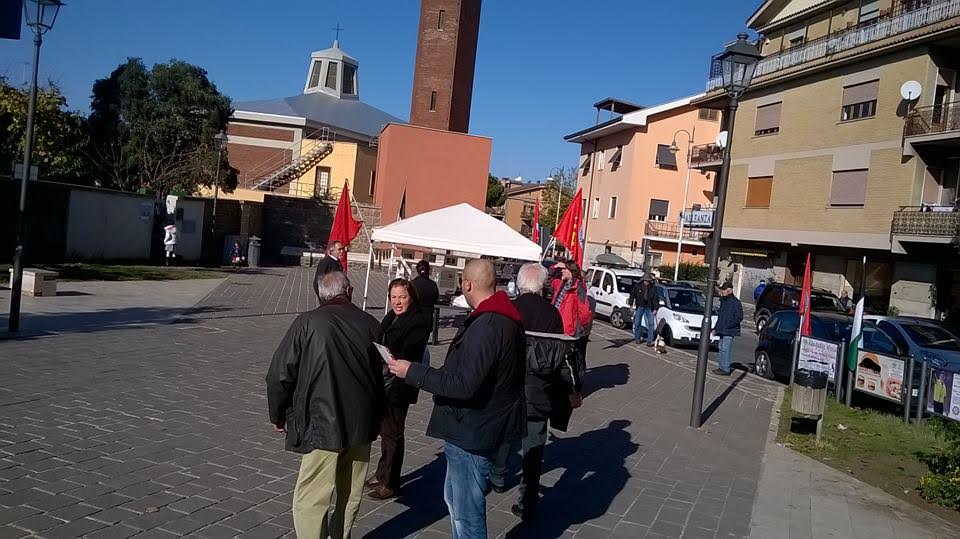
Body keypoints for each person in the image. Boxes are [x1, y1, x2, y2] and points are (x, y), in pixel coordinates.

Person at [386, 259, 525, 539]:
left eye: (462, 280)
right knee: (455, 501)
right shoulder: (500, 318)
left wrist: (412, 371)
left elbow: (463, 384)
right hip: (478, 426)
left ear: (468, 284)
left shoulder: (488, 324)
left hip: (473, 430)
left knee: (466, 512)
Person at [265, 272, 385, 539]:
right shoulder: (371, 324)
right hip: (361, 424)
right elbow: (385, 377)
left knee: (312, 495)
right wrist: (378, 417)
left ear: (320, 294)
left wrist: (278, 414)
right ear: (350, 291)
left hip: (322, 423)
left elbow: (279, 374)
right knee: (350, 493)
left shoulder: (307, 321)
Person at [490, 263, 582, 520]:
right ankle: (527, 499)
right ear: (541, 286)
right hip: (539, 391)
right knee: (533, 447)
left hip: (508, 389)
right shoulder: (551, 314)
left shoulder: (509, 310)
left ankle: (497, 477)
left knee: (503, 436)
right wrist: (571, 390)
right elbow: (560, 356)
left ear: (519, 285)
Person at [367, 279, 431, 500]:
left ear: (410, 296)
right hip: (387, 379)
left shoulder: (417, 320)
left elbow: (412, 349)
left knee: (393, 432)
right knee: (386, 430)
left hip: (401, 383)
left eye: (402, 297)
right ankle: (382, 472)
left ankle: (390, 482)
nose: (397, 302)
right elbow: (380, 333)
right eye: (393, 297)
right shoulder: (393, 315)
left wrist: (390, 352)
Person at [551, 261, 594, 361]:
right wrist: (554, 267)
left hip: (568, 331)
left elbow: (586, 312)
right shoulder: (560, 283)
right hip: (556, 327)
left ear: (571, 271)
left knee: (566, 360)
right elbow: (547, 281)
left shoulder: (578, 288)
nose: (562, 271)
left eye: (564, 269)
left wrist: (577, 326)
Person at [712, 281, 744, 376]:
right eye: (722, 290)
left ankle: (725, 368)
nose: (722, 292)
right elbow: (720, 317)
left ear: (729, 291)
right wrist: (715, 329)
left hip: (730, 330)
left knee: (725, 348)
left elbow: (739, 317)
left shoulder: (735, 302)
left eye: (724, 290)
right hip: (722, 329)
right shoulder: (723, 301)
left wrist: (728, 325)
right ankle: (721, 366)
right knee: (721, 348)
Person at [630, 274, 659, 347]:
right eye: (646, 280)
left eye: (648, 281)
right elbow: (632, 295)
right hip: (640, 306)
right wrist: (631, 304)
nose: (647, 282)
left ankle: (649, 340)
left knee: (651, 324)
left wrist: (656, 308)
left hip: (649, 307)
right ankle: (637, 338)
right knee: (637, 322)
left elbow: (656, 298)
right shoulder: (637, 286)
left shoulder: (653, 288)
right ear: (643, 280)